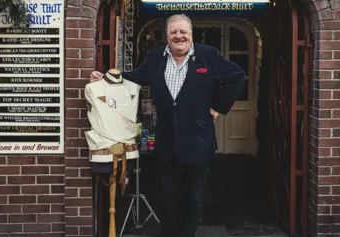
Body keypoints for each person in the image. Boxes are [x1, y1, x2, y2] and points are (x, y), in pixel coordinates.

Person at [90, 14, 245, 237]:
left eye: (183, 32)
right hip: (166, 142)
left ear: (191, 34)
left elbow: (237, 76)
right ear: (167, 35)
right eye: (174, 32)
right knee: (167, 198)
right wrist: (106, 78)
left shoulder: (207, 55)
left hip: (198, 141)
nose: (178, 36)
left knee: (193, 198)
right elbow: (136, 76)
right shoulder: (156, 58)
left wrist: (218, 107)